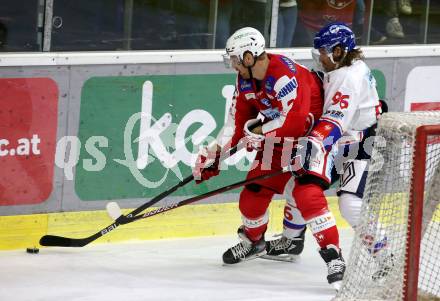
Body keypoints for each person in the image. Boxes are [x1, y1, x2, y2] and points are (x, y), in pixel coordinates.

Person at [192, 27, 324, 267]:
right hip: (280, 136)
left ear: (249, 57)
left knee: (301, 191)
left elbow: (294, 120)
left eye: (235, 59)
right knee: (252, 192)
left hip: (313, 138)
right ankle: (253, 241)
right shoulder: (245, 80)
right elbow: (236, 123)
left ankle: (295, 241)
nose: (233, 65)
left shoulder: (284, 74)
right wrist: (214, 155)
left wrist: (260, 132)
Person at [265, 22, 383, 288]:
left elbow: (335, 121)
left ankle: (387, 258)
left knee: (351, 205)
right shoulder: (346, 68)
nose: (319, 56)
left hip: (363, 144)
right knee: (299, 183)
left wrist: (313, 143)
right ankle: (292, 240)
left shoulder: (348, 78)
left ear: (339, 51)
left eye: (323, 51)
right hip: (346, 139)